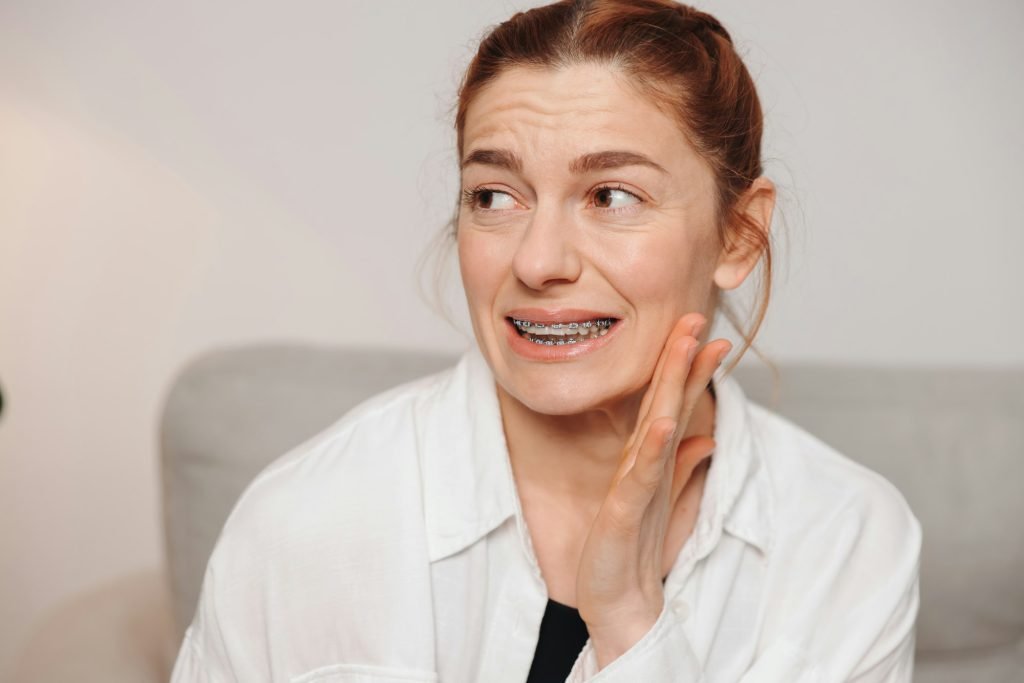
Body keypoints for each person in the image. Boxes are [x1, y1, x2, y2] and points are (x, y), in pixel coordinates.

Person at [170, 1, 922, 681]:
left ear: (738, 233)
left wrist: (630, 616)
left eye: (611, 196)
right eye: (494, 196)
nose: (537, 261)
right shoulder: (307, 520)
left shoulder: (847, 544)